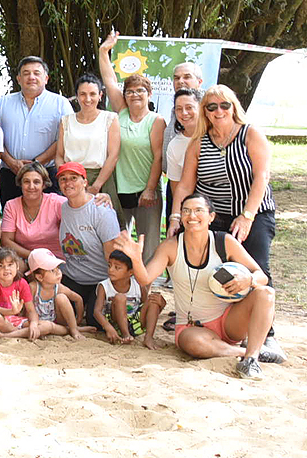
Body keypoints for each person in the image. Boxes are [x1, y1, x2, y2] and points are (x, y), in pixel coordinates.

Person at [126, 194, 283, 378]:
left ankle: (250, 361)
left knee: (266, 294)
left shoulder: (224, 241)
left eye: (198, 210)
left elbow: (261, 275)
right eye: (186, 211)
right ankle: (248, 353)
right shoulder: (171, 246)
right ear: (181, 217)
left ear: (211, 217)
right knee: (194, 345)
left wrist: (248, 280)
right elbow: (145, 279)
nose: (192, 216)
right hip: (191, 326)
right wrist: (136, 259)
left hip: (228, 321)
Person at [171, 84, 276, 278]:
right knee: (213, 272)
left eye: (224, 105)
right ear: (205, 112)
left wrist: (246, 217)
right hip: (214, 216)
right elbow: (185, 185)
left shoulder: (250, 134)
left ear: (234, 107)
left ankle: (260, 306)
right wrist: (175, 218)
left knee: (256, 271)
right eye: (211, 107)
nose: (219, 111)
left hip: (254, 212)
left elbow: (262, 176)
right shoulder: (198, 142)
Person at [0, 56, 73, 203]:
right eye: (26, 73)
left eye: (36, 73)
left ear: (46, 78)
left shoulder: (60, 104)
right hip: (11, 173)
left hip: (46, 175)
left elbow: (65, 139)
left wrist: (36, 163)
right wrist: (11, 162)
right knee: (12, 222)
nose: (31, 77)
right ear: (18, 78)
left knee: (50, 222)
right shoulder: (3, 103)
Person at [108, 74, 164, 259]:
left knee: (147, 245)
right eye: (129, 91)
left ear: (149, 93)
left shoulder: (155, 120)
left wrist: (150, 189)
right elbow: (109, 80)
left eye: (140, 90)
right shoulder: (121, 114)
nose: (135, 95)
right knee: (117, 242)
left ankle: (144, 286)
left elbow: (158, 157)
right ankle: (120, 285)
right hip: (119, 190)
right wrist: (104, 50)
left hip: (146, 192)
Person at [54, 162, 124, 309]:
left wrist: (114, 286)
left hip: (99, 279)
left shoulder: (101, 210)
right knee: (62, 312)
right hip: (72, 277)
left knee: (95, 321)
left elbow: (112, 254)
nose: (68, 183)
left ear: (85, 182)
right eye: (63, 179)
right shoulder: (62, 206)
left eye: (74, 178)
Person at [57, 74, 120, 194]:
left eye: (92, 94)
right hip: (70, 180)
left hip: (99, 179)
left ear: (100, 95)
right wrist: (66, 179)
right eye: (83, 94)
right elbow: (59, 156)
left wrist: (96, 186)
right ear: (76, 96)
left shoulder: (110, 118)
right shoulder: (65, 121)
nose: (88, 99)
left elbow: (113, 156)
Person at [95, 249, 164, 347]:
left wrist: (161, 304)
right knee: (120, 297)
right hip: (116, 325)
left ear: (130, 272)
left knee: (153, 299)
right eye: (109, 266)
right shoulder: (104, 286)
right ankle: (125, 334)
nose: (111, 270)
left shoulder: (138, 285)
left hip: (136, 324)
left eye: (117, 267)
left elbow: (146, 306)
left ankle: (148, 337)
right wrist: (108, 327)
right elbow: (97, 311)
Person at [25, 247, 81, 339]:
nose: (58, 272)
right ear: (39, 277)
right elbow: (27, 310)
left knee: (61, 298)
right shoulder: (33, 287)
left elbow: (78, 299)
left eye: (58, 268)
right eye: (52, 270)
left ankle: (74, 329)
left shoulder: (59, 288)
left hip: (57, 322)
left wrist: (78, 320)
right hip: (38, 323)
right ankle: (69, 329)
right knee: (33, 326)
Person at [0, 248, 36, 338]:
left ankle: (7, 334)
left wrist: (33, 324)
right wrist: (12, 311)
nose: (6, 269)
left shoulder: (22, 283)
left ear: (17, 266)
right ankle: (17, 333)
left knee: (43, 325)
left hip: (14, 319)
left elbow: (31, 310)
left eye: (10, 265)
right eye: (1, 265)